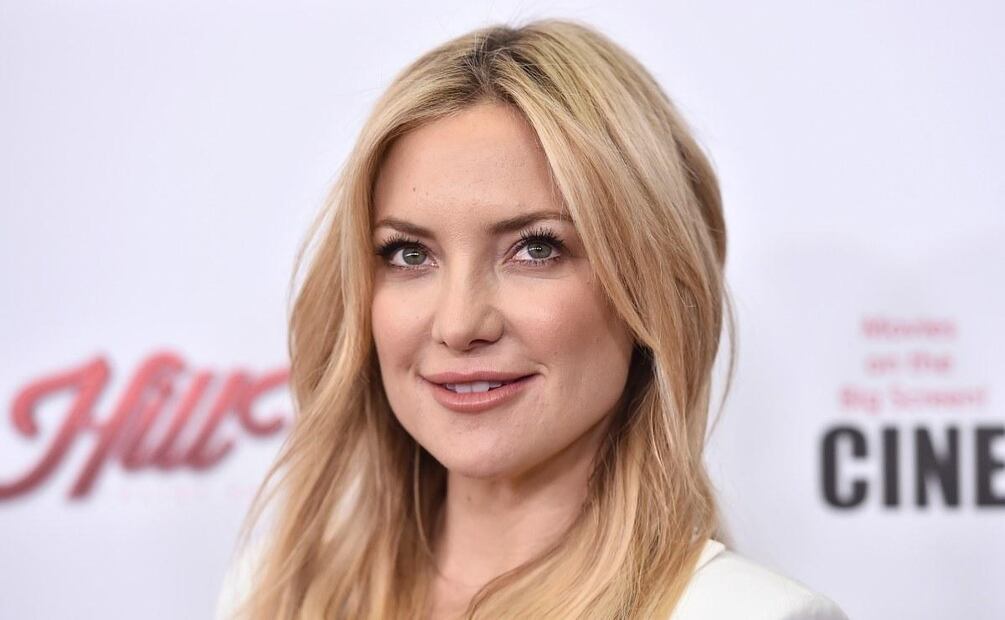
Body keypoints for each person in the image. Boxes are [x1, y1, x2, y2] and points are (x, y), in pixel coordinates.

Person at [216, 18, 849, 620]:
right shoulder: (275, 592)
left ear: (651, 286)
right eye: (409, 254)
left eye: (537, 249)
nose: (459, 324)